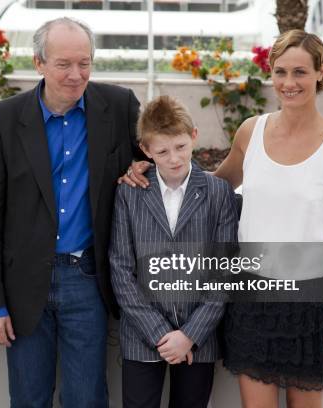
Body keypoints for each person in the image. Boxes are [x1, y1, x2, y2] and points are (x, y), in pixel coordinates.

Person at [120, 29, 323, 408]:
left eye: (300, 72)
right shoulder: (251, 131)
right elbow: (209, 187)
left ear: (320, 72)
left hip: (311, 301)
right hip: (252, 298)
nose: (289, 83)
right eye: (280, 72)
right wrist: (151, 172)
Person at [0, 17, 144, 407]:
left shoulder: (118, 106)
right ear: (39, 63)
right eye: (64, 64)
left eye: (84, 63)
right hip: (22, 286)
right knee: (29, 399)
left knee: (87, 399)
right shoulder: (4, 119)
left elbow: (162, 155)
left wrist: (143, 165)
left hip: (88, 279)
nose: (75, 74)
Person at [110, 95, 238, 408]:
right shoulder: (130, 192)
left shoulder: (218, 193)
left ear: (193, 135)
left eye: (180, 146)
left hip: (200, 337)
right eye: (162, 151)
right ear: (146, 149)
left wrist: (190, 335)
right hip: (142, 336)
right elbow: (121, 269)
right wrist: (159, 333)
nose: (174, 158)